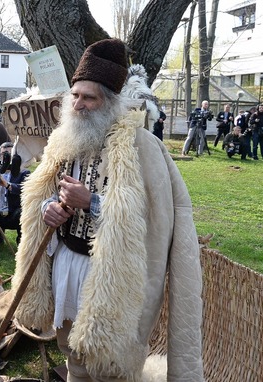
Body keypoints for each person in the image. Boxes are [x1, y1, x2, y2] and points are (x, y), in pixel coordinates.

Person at [12, 39, 203, 381]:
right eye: (76, 95)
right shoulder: (64, 140)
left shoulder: (142, 147)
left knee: (110, 368)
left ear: (109, 102)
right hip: (68, 265)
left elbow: (153, 222)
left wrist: (92, 202)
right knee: (72, 353)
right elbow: (43, 194)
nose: (80, 104)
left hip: (112, 276)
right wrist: (48, 210)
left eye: (89, 97)